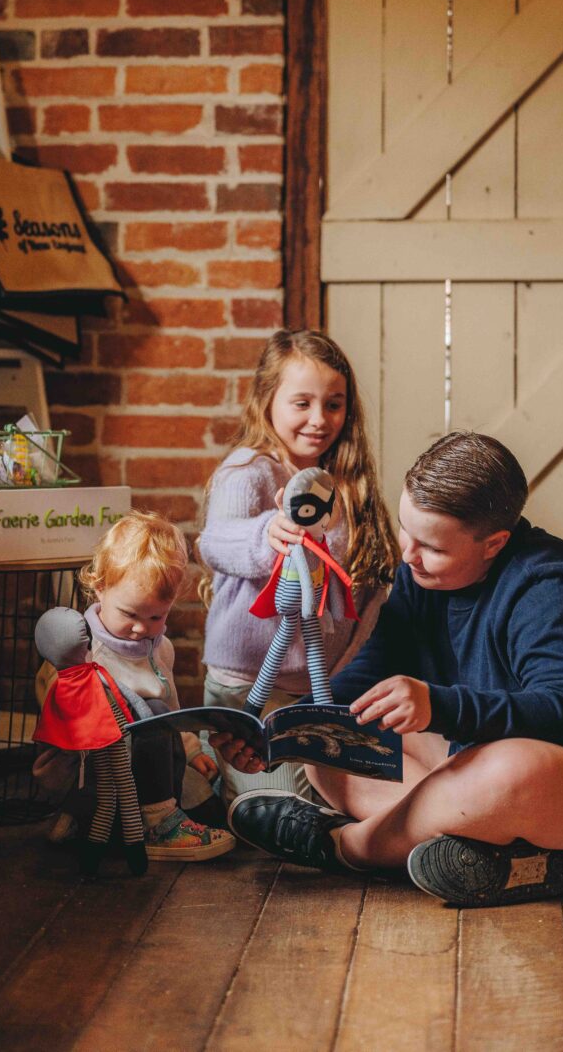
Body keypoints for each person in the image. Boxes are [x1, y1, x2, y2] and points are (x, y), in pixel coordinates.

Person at [221, 432, 563, 908]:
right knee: (331, 746)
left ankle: (345, 846)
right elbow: (372, 672)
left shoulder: (550, 587)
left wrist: (437, 704)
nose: (409, 554)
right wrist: (288, 729)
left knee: (512, 768)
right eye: (406, 529)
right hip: (501, 780)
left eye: (434, 547)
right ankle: (517, 861)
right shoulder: (421, 573)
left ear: (494, 543)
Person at [195, 330, 398, 802]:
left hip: (322, 686)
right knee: (280, 804)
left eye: (334, 404)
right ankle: (211, 768)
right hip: (248, 683)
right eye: (302, 403)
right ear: (267, 400)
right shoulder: (248, 471)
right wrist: (265, 534)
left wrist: (353, 666)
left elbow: (363, 587)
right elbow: (214, 543)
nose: (319, 419)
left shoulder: (347, 483)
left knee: (340, 794)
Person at [36, 511, 233, 860]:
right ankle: (149, 822)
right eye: (129, 614)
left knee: (211, 810)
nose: (142, 628)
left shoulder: (161, 648)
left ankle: (148, 817)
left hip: (151, 765)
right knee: (149, 714)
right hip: (97, 765)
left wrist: (191, 750)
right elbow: (56, 712)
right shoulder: (81, 651)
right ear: (100, 587)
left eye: (156, 616)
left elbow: (170, 707)